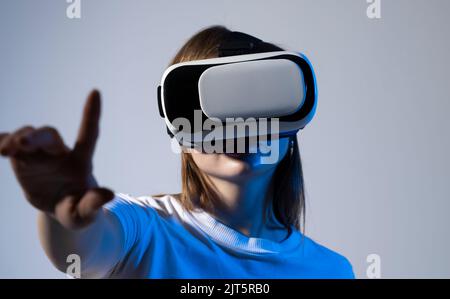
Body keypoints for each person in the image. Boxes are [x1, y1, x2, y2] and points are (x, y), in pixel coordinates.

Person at [0, 25, 354, 278]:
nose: (242, 127)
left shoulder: (332, 271)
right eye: (217, 108)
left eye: (260, 100)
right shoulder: (143, 229)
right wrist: (61, 211)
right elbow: (80, 251)